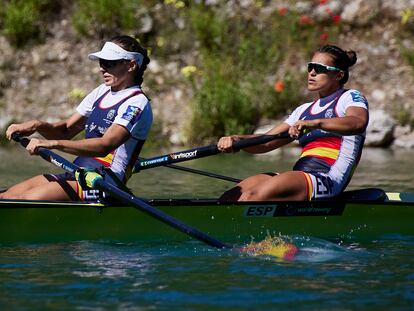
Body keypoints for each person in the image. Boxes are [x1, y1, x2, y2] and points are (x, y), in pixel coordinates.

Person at [0, 35, 152, 201]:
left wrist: (52, 144)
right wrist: (37, 126)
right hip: (80, 173)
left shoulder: (137, 103)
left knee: (25, 199)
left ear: (131, 65)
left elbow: (105, 145)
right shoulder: (102, 91)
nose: (102, 68)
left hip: (107, 183)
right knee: (7, 196)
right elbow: (65, 132)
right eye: (101, 63)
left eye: (110, 63)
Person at [217, 44, 369, 202]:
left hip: (327, 179)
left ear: (338, 75)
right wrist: (237, 140)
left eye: (319, 68)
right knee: (229, 198)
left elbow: (358, 123)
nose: (312, 72)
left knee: (250, 197)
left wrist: (315, 123)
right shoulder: (303, 110)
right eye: (310, 67)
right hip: (302, 176)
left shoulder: (349, 97)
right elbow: (266, 142)